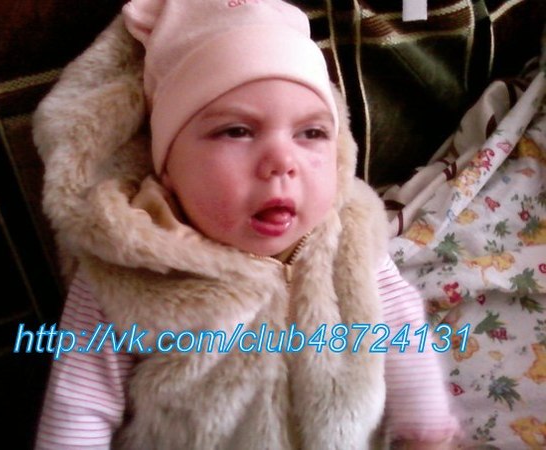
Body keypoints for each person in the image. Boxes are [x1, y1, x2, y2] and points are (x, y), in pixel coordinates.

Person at [34, 0, 459, 448]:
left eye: (311, 133)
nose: (282, 161)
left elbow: (402, 333)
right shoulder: (124, 264)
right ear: (167, 167)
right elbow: (78, 404)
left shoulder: (349, 234)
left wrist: (427, 434)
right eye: (237, 131)